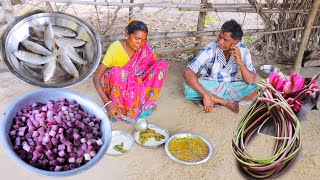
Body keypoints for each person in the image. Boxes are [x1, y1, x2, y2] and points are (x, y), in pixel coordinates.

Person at [93, 20, 169, 123]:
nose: (140, 43)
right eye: (137, 39)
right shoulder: (115, 48)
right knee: (117, 72)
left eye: (143, 40)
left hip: (137, 83)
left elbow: (152, 68)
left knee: (162, 66)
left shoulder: (145, 49)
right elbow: (96, 78)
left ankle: (144, 103)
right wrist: (107, 103)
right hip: (120, 86)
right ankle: (120, 108)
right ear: (127, 33)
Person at [183, 19, 257, 113]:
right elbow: (187, 72)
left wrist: (240, 62)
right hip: (211, 84)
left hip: (231, 84)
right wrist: (205, 94)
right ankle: (225, 102)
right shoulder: (210, 49)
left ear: (236, 42)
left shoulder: (243, 51)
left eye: (225, 40)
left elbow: (250, 80)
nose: (220, 42)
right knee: (187, 87)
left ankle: (213, 100)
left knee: (253, 91)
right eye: (220, 36)